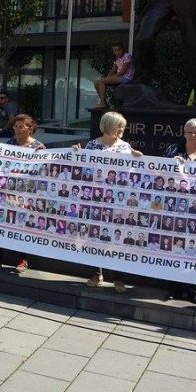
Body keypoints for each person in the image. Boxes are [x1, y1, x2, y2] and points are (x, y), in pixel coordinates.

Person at [73, 111, 142, 293]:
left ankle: (117, 278)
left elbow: (134, 173)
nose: (122, 129)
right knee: (93, 236)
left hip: (116, 203)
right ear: (108, 125)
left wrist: (139, 159)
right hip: (95, 200)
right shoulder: (92, 145)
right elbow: (83, 169)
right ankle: (96, 273)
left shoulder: (126, 147)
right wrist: (76, 153)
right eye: (119, 126)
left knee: (116, 239)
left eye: (123, 126)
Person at [0, 115, 45, 270]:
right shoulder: (10, 143)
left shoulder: (39, 147)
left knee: (22, 224)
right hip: (6, 191)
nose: (17, 130)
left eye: (21, 126)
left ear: (30, 128)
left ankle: (23, 259)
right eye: (15, 126)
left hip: (25, 194)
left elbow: (44, 171)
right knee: (1, 221)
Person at [165, 117, 196, 304]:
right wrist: (170, 164)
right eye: (189, 132)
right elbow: (158, 174)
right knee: (175, 248)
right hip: (176, 210)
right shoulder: (171, 151)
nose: (192, 135)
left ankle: (193, 291)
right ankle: (174, 289)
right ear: (183, 133)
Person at [93, 43, 134, 108]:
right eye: (115, 50)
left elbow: (122, 72)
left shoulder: (127, 56)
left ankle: (102, 103)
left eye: (119, 49)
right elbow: (113, 70)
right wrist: (107, 77)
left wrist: (108, 79)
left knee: (101, 81)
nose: (117, 52)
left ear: (122, 49)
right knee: (96, 82)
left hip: (126, 77)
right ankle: (104, 102)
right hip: (119, 76)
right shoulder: (116, 58)